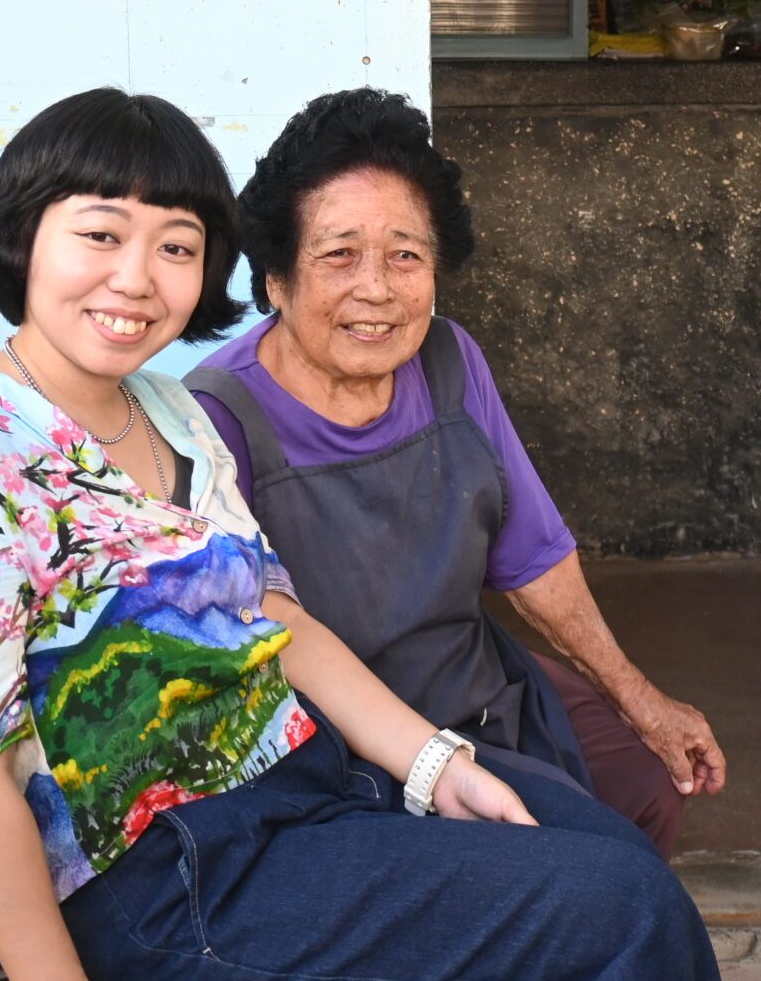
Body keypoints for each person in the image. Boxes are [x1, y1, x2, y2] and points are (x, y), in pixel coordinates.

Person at [0, 88, 719, 981]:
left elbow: (272, 612)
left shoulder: (167, 413)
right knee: (620, 907)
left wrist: (435, 766)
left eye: (176, 246)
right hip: (175, 878)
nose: (138, 277)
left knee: (607, 845)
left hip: (309, 781)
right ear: (24, 238)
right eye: (101, 235)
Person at [185, 87, 725, 858]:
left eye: (405, 255)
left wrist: (641, 696)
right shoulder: (218, 419)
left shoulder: (448, 357)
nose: (376, 288)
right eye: (339, 255)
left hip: (471, 686)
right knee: (556, 861)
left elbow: (533, 554)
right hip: (334, 746)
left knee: (642, 786)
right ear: (276, 277)